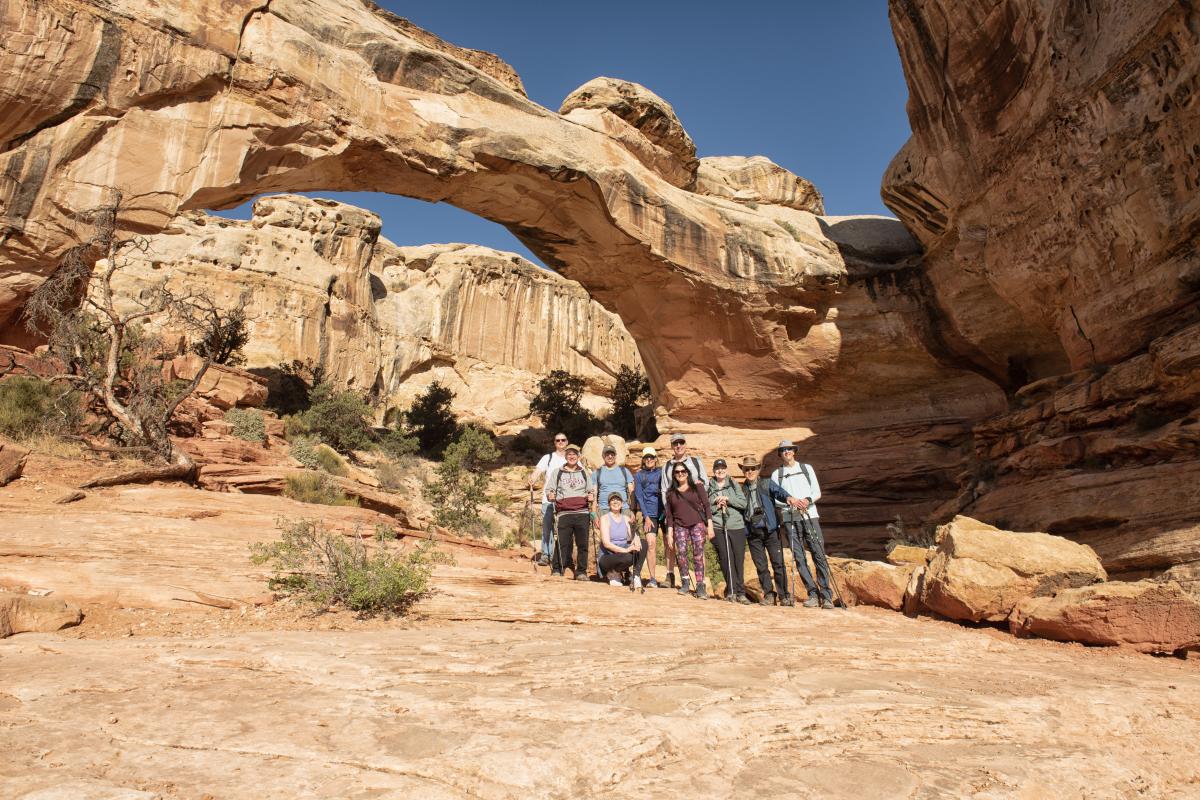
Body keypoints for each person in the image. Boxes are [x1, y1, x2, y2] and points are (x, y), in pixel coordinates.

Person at [771, 440, 833, 609]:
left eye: (789, 449)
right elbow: (775, 498)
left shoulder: (806, 468)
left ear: (794, 451)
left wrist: (807, 500)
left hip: (810, 515)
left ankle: (826, 595)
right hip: (790, 518)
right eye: (783, 450)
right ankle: (812, 593)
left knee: (818, 554)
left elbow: (817, 491)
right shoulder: (777, 474)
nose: (786, 452)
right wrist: (790, 502)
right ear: (780, 454)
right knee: (799, 557)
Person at [739, 455, 797, 607]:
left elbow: (779, 492)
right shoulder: (741, 490)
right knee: (761, 566)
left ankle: (784, 595)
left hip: (770, 530)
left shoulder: (765, 484)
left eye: (753, 468)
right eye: (747, 469)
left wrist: (788, 498)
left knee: (778, 563)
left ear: (758, 469)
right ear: (743, 471)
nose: (750, 471)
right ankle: (769, 595)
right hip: (752, 533)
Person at [659, 433, 707, 589]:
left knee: (699, 549)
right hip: (677, 515)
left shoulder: (696, 462)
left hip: (696, 514)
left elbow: (704, 484)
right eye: (675, 443)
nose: (678, 445)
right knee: (680, 549)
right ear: (672, 446)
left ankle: (701, 583)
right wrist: (669, 515)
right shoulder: (667, 466)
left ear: (685, 444)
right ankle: (683, 580)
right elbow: (665, 491)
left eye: (681, 442)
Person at [664, 461, 713, 599]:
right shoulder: (671, 492)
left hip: (697, 523)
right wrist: (669, 533)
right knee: (682, 553)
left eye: (683, 471)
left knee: (698, 553)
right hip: (680, 525)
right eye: (677, 472)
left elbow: (707, 506)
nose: (680, 474)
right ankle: (685, 582)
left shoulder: (697, 486)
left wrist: (710, 526)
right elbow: (669, 515)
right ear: (674, 475)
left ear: (687, 473)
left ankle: (700, 585)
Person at [546, 443, 594, 581]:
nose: (572, 456)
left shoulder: (584, 472)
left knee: (582, 544)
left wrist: (591, 495)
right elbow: (550, 488)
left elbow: (590, 489)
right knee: (562, 542)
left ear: (578, 456)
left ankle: (581, 572)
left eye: (574, 454)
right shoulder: (558, 472)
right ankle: (557, 569)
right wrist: (550, 495)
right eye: (569, 454)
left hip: (582, 512)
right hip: (564, 512)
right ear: (566, 456)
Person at [707, 458, 750, 603]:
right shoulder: (710, 486)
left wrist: (728, 499)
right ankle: (731, 591)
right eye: (717, 468)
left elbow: (743, 503)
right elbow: (706, 509)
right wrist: (716, 505)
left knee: (738, 559)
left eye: (722, 468)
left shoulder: (733, 483)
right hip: (719, 526)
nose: (720, 470)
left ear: (726, 469)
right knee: (726, 558)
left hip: (736, 525)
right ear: (714, 471)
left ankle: (741, 592)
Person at [528, 432, 568, 566]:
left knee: (564, 528)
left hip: (566, 500)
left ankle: (562, 556)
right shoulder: (548, 457)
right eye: (558, 440)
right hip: (548, 499)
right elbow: (538, 471)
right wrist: (533, 478)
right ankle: (546, 554)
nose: (561, 442)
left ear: (567, 442)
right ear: (554, 443)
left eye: (563, 440)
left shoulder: (572, 458)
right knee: (547, 528)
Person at [632, 447, 665, 587]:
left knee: (670, 544)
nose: (649, 460)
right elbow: (639, 496)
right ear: (643, 460)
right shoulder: (639, 475)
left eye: (651, 457)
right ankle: (652, 578)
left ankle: (671, 577)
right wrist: (645, 516)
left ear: (656, 458)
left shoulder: (662, 472)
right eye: (646, 457)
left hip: (664, 513)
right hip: (650, 515)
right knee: (651, 544)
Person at [598, 492, 646, 588]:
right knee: (628, 557)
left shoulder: (625, 518)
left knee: (643, 543)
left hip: (622, 553)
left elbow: (633, 535)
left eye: (618, 500)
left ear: (622, 503)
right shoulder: (605, 518)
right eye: (612, 500)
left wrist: (636, 540)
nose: (615, 502)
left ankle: (635, 575)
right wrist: (626, 550)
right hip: (608, 556)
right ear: (609, 504)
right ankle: (613, 573)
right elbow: (607, 544)